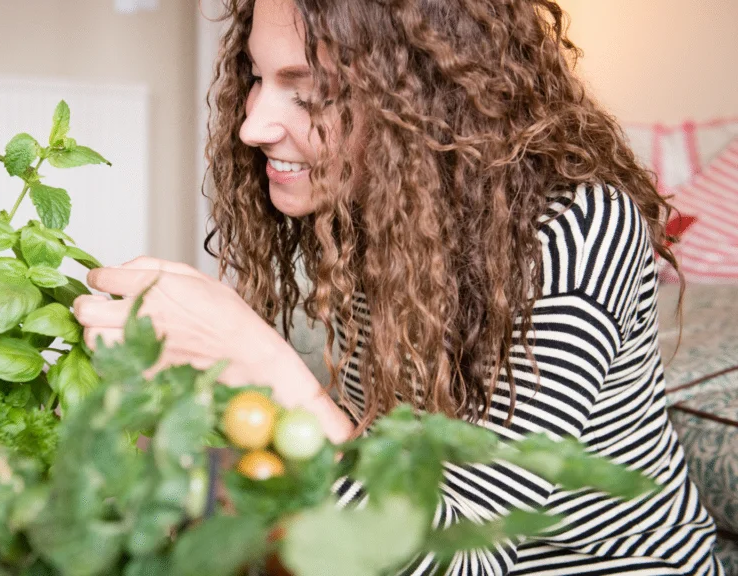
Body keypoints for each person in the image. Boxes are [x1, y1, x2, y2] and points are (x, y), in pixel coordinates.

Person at [74, 0, 724, 573]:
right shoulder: (382, 220)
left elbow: (462, 553)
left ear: (429, 99)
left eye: (311, 91)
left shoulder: (579, 229)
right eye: (256, 76)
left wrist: (262, 364)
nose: (252, 127)